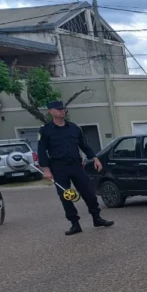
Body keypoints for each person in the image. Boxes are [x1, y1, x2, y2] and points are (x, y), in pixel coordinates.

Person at [38, 100, 113, 235]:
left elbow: (84, 145)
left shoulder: (74, 128)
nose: (62, 111)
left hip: (76, 165)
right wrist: (46, 169)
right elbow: (42, 150)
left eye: (63, 109)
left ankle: (97, 218)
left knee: (89, 193)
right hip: (58, 167)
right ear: (51, 111)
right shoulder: (45, 130)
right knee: (66, 196)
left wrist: (95, 158)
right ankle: (75, 224)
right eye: (59, 109)